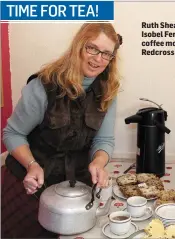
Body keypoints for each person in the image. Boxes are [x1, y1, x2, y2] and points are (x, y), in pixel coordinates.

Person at [1, 23, 122, 238]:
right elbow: (12, 134)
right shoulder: (43, 86)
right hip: (31, 184)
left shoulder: (107, 91)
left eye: (106, 54)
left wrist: (98, 162)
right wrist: (31, 165)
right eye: (92, 48)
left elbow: (104, 140)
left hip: (75, 188)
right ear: (78, 46)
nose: (98, 59)